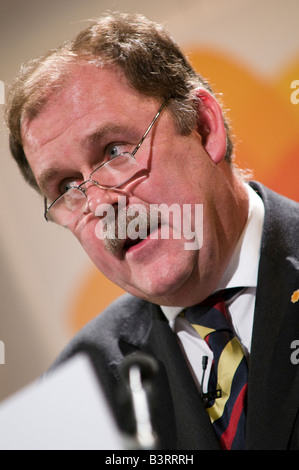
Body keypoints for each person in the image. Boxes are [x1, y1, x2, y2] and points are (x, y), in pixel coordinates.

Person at [5, 12, 299, 450]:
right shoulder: (79, 391)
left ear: (204, 127)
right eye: (67, 187)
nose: (101, 204)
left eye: (116, 150)